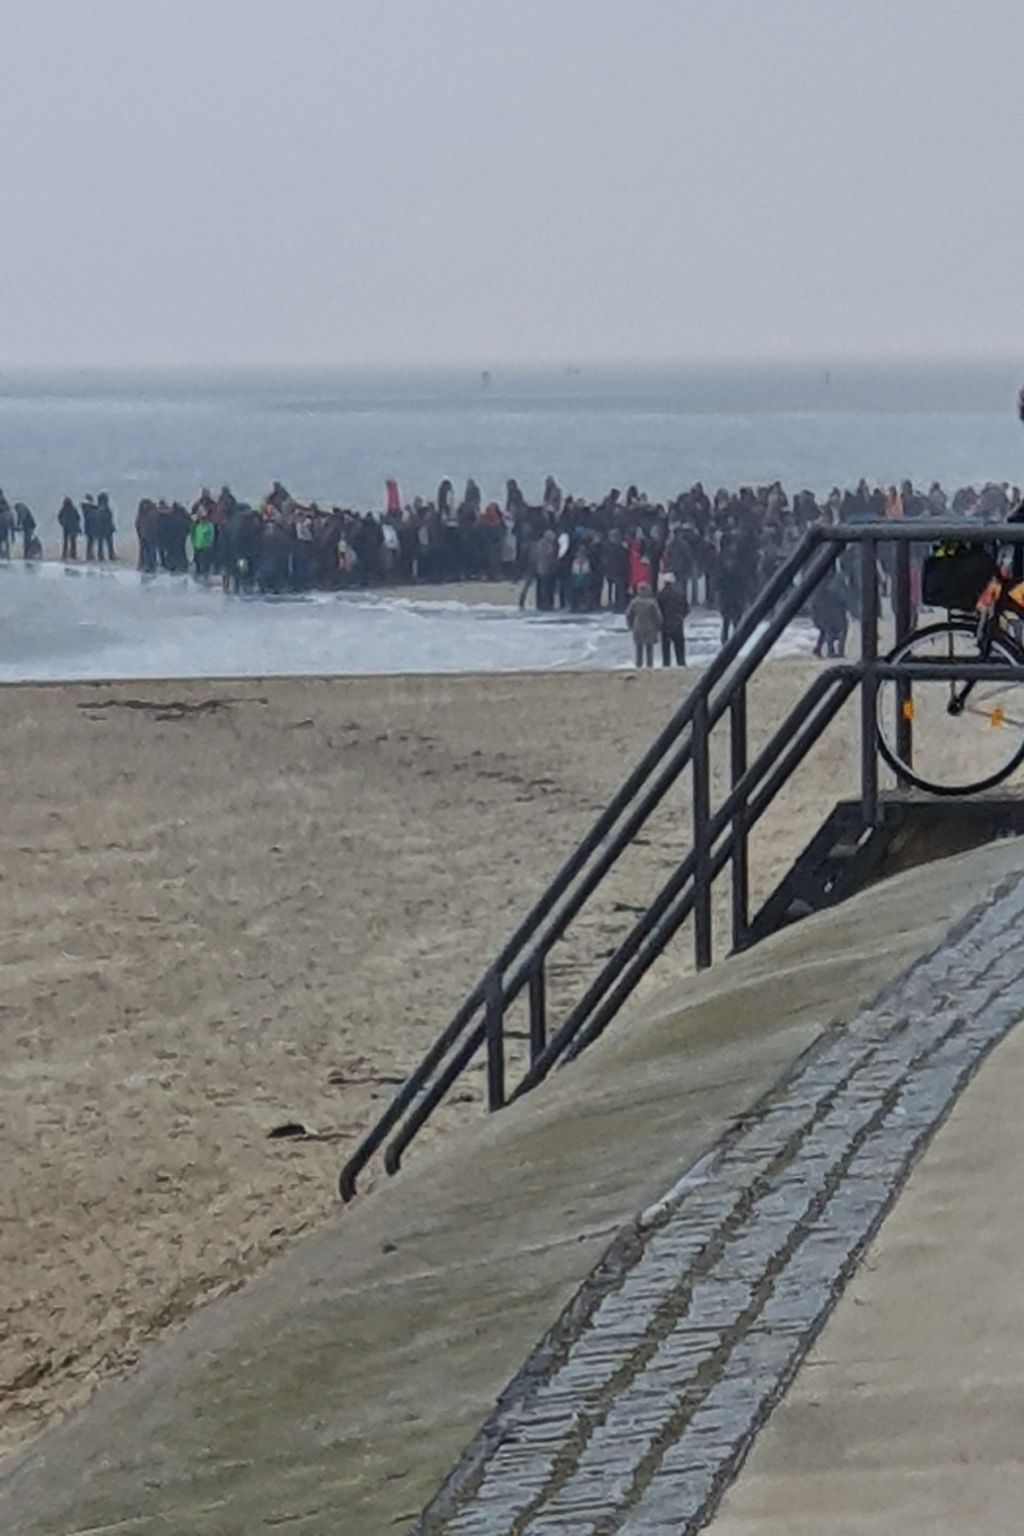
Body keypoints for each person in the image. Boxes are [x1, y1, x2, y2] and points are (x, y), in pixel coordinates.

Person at [625, 581, 661, 668]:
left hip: (638, 627)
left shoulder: (634, 602)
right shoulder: (652, 602)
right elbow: (658, 616)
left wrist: (630, 625)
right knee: (649, 648)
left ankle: (638, 665)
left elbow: (628, 614)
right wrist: (659, 626)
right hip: (650, 628)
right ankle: (649, 665)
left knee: (639, 648)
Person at [657, 572, 688, 666]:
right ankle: (681, 663)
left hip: (665, 624)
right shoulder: (680, 594)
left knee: (666, 648)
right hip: (677, 623)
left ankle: (666, 664)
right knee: (679, 647)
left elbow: (658, 609)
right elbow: (686, 608)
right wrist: (681, 616)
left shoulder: (661, 595)